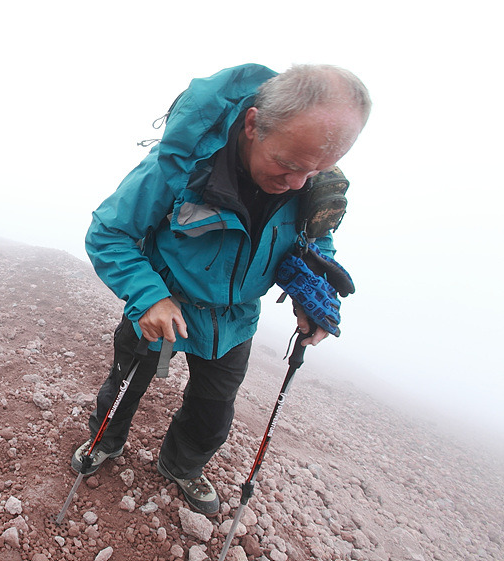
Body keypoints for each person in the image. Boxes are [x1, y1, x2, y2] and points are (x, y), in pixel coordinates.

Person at [74, 63, 371, 515]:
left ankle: (182, 465)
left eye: (313, 171)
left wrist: (311, 292)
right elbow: (108, 233)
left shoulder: (310, 180)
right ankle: (105, 440)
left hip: (234, 321)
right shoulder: (181, 166)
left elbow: (312, 243)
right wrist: (149, 297)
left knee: (213, 411)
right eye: (289, 165)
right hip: (162, 303)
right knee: (125, 384)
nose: (297, 183)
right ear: (253, 124)